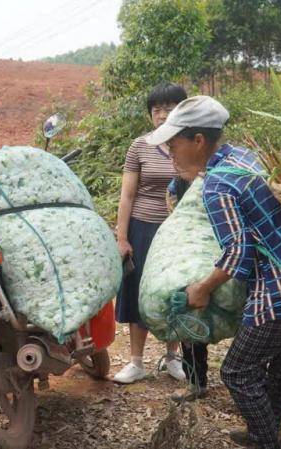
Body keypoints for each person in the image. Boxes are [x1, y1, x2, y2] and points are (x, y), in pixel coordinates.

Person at [146, 95, 281, 449]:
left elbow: (238, 253)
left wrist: (203, 287)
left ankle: (267, 441)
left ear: (198, 141)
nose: (169, 151)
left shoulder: (218, 185)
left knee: (237, 371)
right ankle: (264, 432)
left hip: (278, 295)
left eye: (173, 142)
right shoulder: (243, 157)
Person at [112, 83, 187, 384]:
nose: (162, 114)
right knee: (137, 292)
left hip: (177, 231)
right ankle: (136, 362)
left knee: (176, 290)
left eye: (169, 109)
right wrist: (121, 236)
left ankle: (174, 358)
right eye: (156, 110)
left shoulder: (190, 145)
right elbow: (127, 196)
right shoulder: (139, 147)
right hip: (142, 228)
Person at [165, 176, 210, 403]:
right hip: (187, 252)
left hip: (214, 251)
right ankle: (196, 381)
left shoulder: (216, 178)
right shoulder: (177, 184)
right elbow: (174, 216)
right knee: (190, 314)